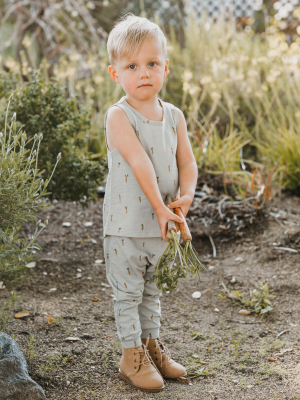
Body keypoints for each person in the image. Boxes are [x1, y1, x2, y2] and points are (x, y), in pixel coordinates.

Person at [103, 13, 198, 392]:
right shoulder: (118, 116)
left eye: (152, 64)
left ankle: (151, 346)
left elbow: (186, 162)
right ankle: (131, 357)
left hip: (160, 224)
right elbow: (139, 161)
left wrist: (186, 195)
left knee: (152, 290)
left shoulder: (173, 116)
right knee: (128, 293)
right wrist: (161, 207)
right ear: (115, 74)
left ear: (166, 67)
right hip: (126, 227)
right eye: (132, 66)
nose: (143, 73)